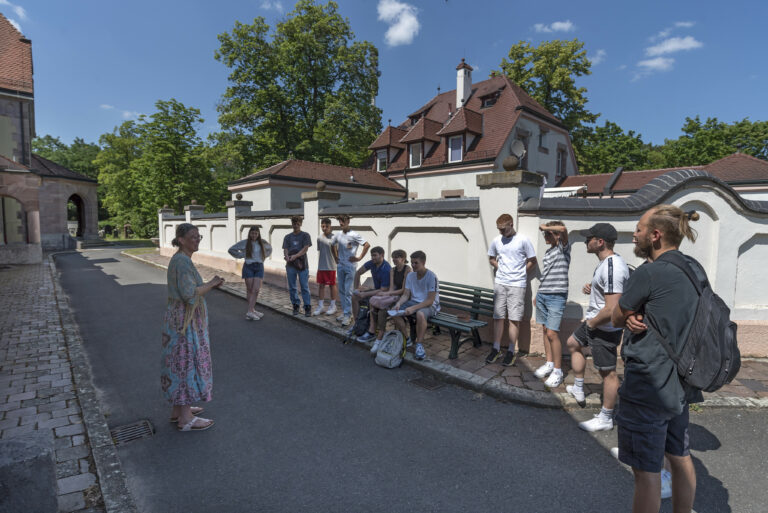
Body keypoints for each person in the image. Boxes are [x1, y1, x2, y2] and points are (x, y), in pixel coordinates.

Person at [611, 205, 702, 513]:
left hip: (648, 383)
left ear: (655, 235)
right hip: (682, 380)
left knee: (646, 471)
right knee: (680, 456)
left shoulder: (649, 273)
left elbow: (616, 315)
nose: (634, 235)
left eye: (639, 229)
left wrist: (628, 315)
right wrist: (637, 315)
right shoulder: (694, 269)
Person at [565, 222, 630, 432]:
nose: (586, 241)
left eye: (589, 238)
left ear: (600, 242)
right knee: (573, 343)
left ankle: (606, 418)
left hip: (604, 328)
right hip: (595, 323)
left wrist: (592, 323)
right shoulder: (606, 264)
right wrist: (592, 287)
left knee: (608, 374)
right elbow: (608, 292)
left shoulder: (613, 267)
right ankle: (578, 387)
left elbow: (612, 308)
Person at [161, 223, 223, 432]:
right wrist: (212, 283)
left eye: (199, 237)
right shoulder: (182, 261)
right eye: (193, 237)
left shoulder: (181, 259)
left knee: (179, 362)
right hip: (184, 322)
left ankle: (179, 410)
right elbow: (189, 295)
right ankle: (186, 419)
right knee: (185, 363)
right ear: (181, 240)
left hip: (178, 319)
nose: (197, 240)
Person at [486, 213, 536, 367]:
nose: (501, 232)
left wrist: (521, 273)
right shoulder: (497, 240)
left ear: (511, 224)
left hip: (517, 285)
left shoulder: (523, 240)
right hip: (500, 283)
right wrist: (499, 267)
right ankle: (496, 348)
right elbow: (491, 258)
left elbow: (532, 260)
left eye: (503, 229)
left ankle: (510, 350)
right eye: (499, 229)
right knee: (498, 317)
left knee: (514, 319)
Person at [533, 221, 570, 388]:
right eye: (544, 234)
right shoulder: (549, 251)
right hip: (543, 294)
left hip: (556, 296)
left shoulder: (563, 248)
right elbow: (546, 275)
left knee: (552, 333)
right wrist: (538, 293)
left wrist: (546, 227)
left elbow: (563, 229)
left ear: (557, 235)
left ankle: (557, 370)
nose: (545, 236)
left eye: (548, 234)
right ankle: (549, 363)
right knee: (545, 330)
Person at [360, 249, 412, 352]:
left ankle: (380, 336)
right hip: (394, 295)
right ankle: (374, 330)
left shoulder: (407, 269)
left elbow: (403, 290)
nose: (394, 259)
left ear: (403, 258)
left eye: (396, 257)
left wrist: (385, 294)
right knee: (374, 303)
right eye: (393, 257)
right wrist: (386, 294)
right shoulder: (392, 270)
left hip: (404, 297)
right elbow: (391, 288)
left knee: (383, 309)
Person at [391, 251, 439, 361]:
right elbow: (406, 294)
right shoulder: (410, 276)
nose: (413, 265)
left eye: (416, 263)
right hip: (413, 302)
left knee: (420, 314)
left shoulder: (431, 276)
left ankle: (419, 345)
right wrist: (398, 303)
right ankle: (407, 339)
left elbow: (430, 301)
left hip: (429, 305)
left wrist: (413, 308)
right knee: (394, 311)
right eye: (412, 263)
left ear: (423, 262)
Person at [331, 215, 369, 326]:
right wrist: (335, 257)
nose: (341, 223)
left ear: (348, 221)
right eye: (340, 221)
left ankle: (348, 315)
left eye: (343, 221)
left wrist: (359, 257)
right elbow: (332, 245)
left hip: (350, 266)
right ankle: (346, 312)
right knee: (342, 290)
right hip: (340, 266)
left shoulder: (354, 235)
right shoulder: (338, 234)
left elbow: (367, 245)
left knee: (348, 291)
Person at [228, 226, 272, 321]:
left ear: (258, 234)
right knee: (250, 289)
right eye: (252, 233)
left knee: (256, 289)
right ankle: (251, 311)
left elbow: (270, 249)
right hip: (248, 266)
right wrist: (242, 255)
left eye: (256, 233)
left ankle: (251, 311)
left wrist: (263, 256)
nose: (254, 235)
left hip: (259, 267)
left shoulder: (263, 242)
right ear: (249, 233)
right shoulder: (245, 242)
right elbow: (231, 249)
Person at [350, 246, 391, 322]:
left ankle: (370, 324)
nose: (373, 258)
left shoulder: (386, 269)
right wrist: (357, 288)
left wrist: (365, 294)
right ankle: (356, 323)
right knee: (354, 296)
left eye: (375, 255)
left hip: (385, 294)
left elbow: (383, 290)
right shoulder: (372, 263)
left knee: (368, 299)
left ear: (382, 255)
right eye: (372, 255)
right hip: (377, 290)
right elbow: (358, 272)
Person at [282, 216, 312, 316]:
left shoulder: (305, 235)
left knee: (304, 286)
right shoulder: (287, 237)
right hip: (290, 265)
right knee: (292, 287)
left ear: (301, 224)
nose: (296, 225)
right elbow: (285, 249)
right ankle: (295, 304)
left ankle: (307, 306)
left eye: (298, 223)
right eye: (294, 223)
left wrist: (296, 256)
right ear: (292, 224)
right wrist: (287, 256)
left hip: (302, 265)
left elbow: (305, 248)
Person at [313, 218, 338, 316]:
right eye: (323, 226)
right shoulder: (319, 238)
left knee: (332, 285)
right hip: (321, 266)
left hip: (331, 266)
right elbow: (320, 250)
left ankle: (333, 306)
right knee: (321, 286)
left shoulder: (334, 238)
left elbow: (337, 252)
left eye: (327, 226)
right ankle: (321, 306)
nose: (324, 228)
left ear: (330, 226)